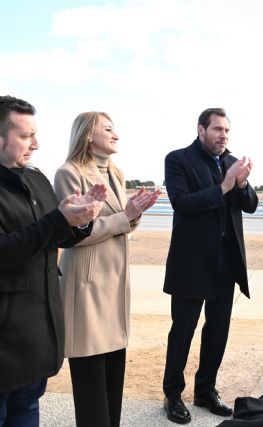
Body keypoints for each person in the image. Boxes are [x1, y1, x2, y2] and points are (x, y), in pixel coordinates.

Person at [0, 95, 106, 426]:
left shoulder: (36, 179)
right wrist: (59, 220)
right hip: (4, 342)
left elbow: (54, 237)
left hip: (35, 340)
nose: (36, 144)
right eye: (25, 136)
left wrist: (80, 219)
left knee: (26, 414)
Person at [53, 112, 160, 427]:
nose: (116, 135)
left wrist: (134, 213)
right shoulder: (68, 173)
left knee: (114, 376)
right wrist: (124, 217)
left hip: (114, 286)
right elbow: (73, 235)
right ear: (88, 136)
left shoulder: (116, 172)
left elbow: (120, 223)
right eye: (109, 129)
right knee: (91, 386)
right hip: (87, 289)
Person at [162, 108, 258, 424]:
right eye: (217, 129)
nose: (223, 136)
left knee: (217, 332)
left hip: (225, 265)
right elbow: (182, 204)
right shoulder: (178, 159)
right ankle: (172, 395)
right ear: (201, 129)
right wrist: (225, 187)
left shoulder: (232, 163)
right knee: (183, 331)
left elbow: (251, 205)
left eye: (227, 131)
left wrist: (242, 186)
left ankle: (206, 391)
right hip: (191, 264)